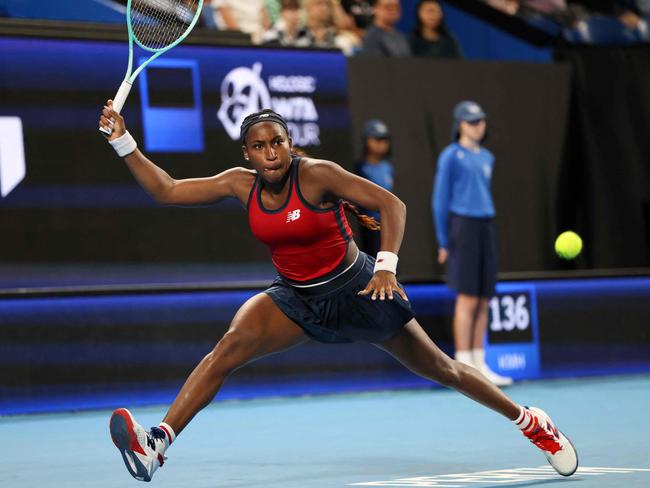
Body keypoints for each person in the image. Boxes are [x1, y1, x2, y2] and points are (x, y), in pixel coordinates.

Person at [98, 103, 577, 482]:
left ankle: (532, 423)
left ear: (290, 144)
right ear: (246, 152)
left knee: (443, 369)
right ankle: (158, 442)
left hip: (360, 288)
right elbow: (166, 189)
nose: (270, 153)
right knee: (228, 348)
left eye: (278, 143)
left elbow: (392, 205)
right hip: (295, 297)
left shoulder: (318, 174)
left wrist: (386, 266)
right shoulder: (238, 185)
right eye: (259, 146)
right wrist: (122, 140)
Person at [432, 100, 513, 387]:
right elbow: (440, 201)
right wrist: (444, 240)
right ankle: (463, 362)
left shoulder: (487, 157)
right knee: (467, 298)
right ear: (460, 125)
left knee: (483, 297)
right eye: (472, 121)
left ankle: (480, 362)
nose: (478, 126)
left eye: (481, 121)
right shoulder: (450, 156)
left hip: (485, 225)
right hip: (462, 226)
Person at [355, 119, 395, 257]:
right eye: (377, 139)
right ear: (368, 141)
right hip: (370, 224)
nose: (381, 144)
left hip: (388, 222)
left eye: (384, 140)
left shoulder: (388, 167)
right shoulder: (360, 168)